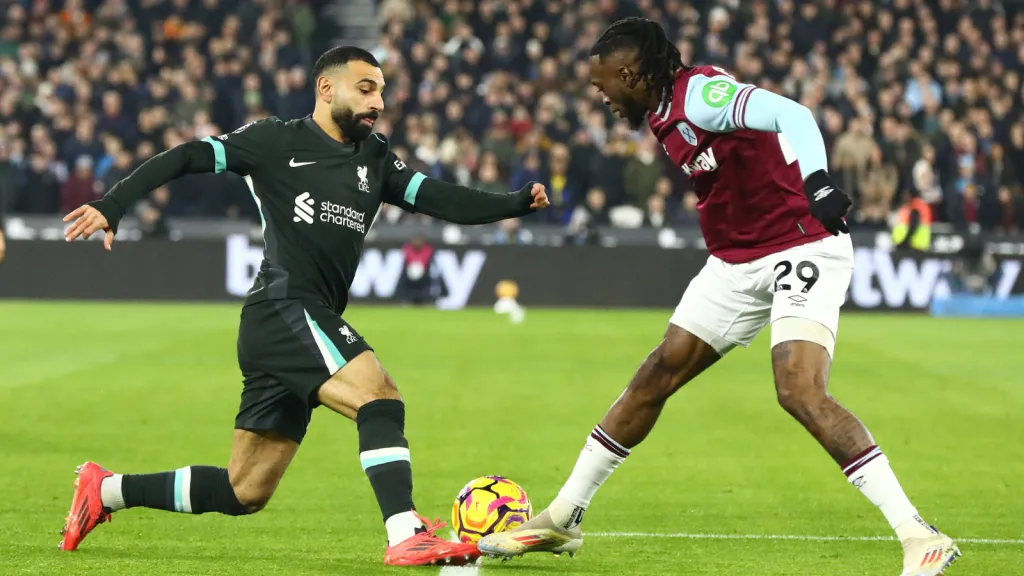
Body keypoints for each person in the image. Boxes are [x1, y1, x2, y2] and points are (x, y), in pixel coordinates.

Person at [479, 18, 959, 576]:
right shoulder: (658, 111)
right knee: (656, 374)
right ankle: (563, 517)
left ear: (631, 74)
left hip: (801, 246)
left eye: (602, 83)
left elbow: (793, 115)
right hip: (733, 262)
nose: (601, 96)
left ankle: (918, 534)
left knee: (799, 390)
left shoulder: (702, 94)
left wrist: (819, 182)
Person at [59, 46, 550, 567]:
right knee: (379, 397)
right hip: (284, 306)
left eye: (381, 90)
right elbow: (187, 156)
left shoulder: (376, 157)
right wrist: (113, 204)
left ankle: (105, 491)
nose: (378, 101)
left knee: (242, 491)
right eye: (366, 88)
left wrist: (514, 203)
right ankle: (406, 531)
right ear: (326, 89)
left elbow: (442, 199)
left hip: (295, 323)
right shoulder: (275, 140)